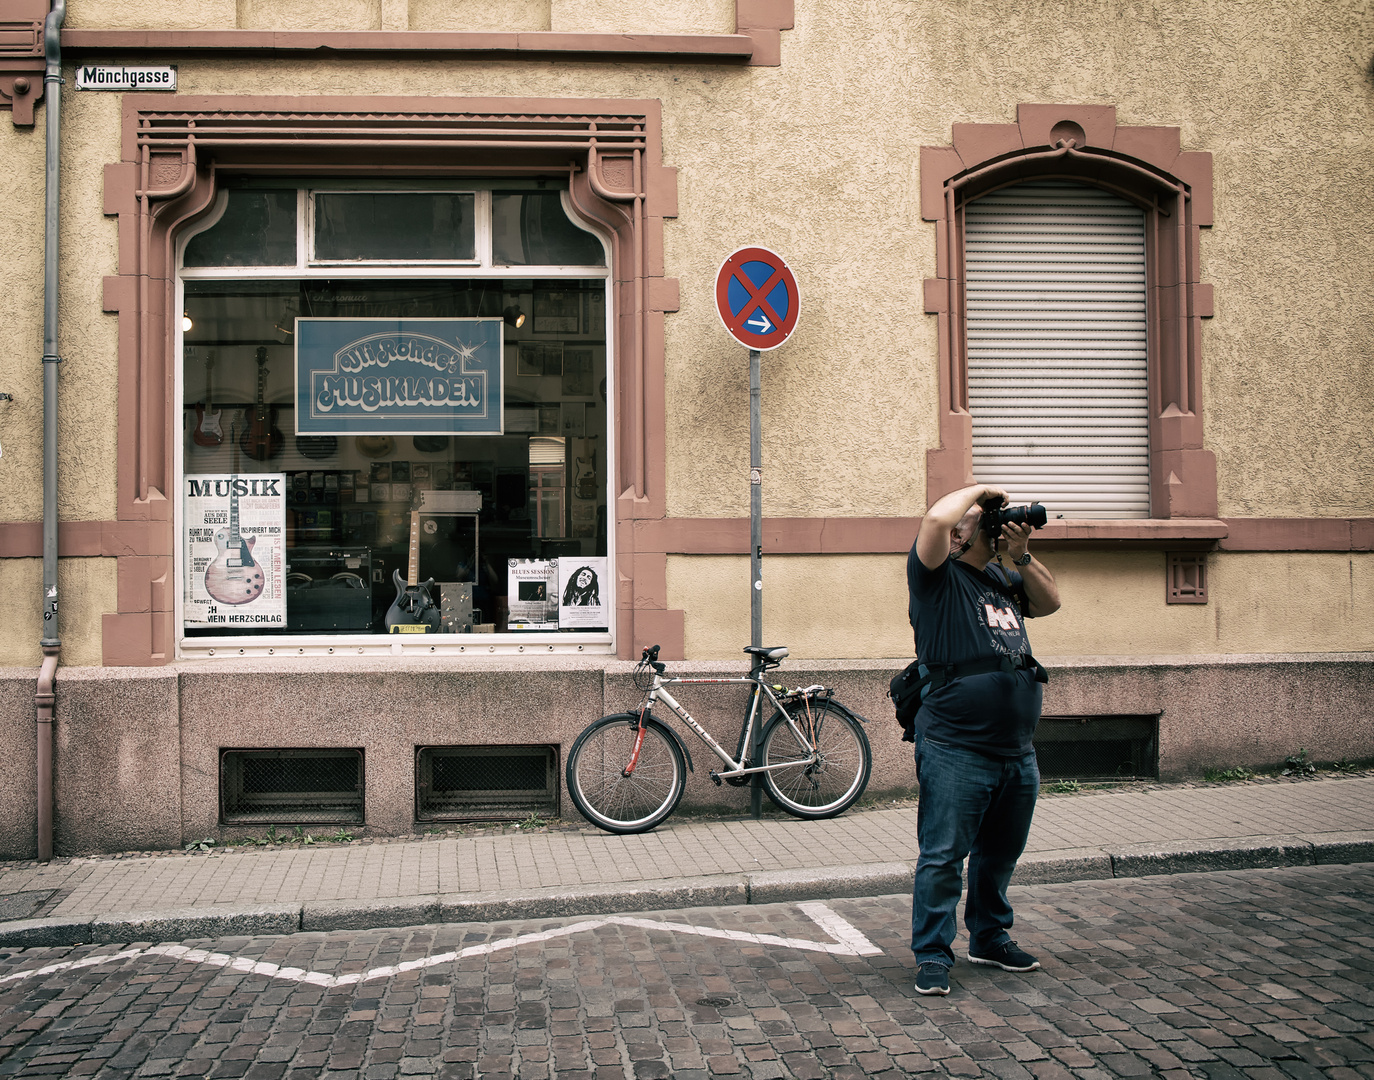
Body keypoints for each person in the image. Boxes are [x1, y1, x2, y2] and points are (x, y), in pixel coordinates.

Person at [907, 482, 1061, 996]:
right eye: (977, 519)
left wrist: (1020, 553)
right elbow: (933, 523)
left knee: (999, 855)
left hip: (1016, 749)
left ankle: (989, 938)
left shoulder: (1002, 577)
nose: (987, 521)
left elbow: (1052, 602)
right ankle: (932, 953)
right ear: (959, 533)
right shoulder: (937, 577)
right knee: (944, 856)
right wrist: (978, 493)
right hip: (955, 745)